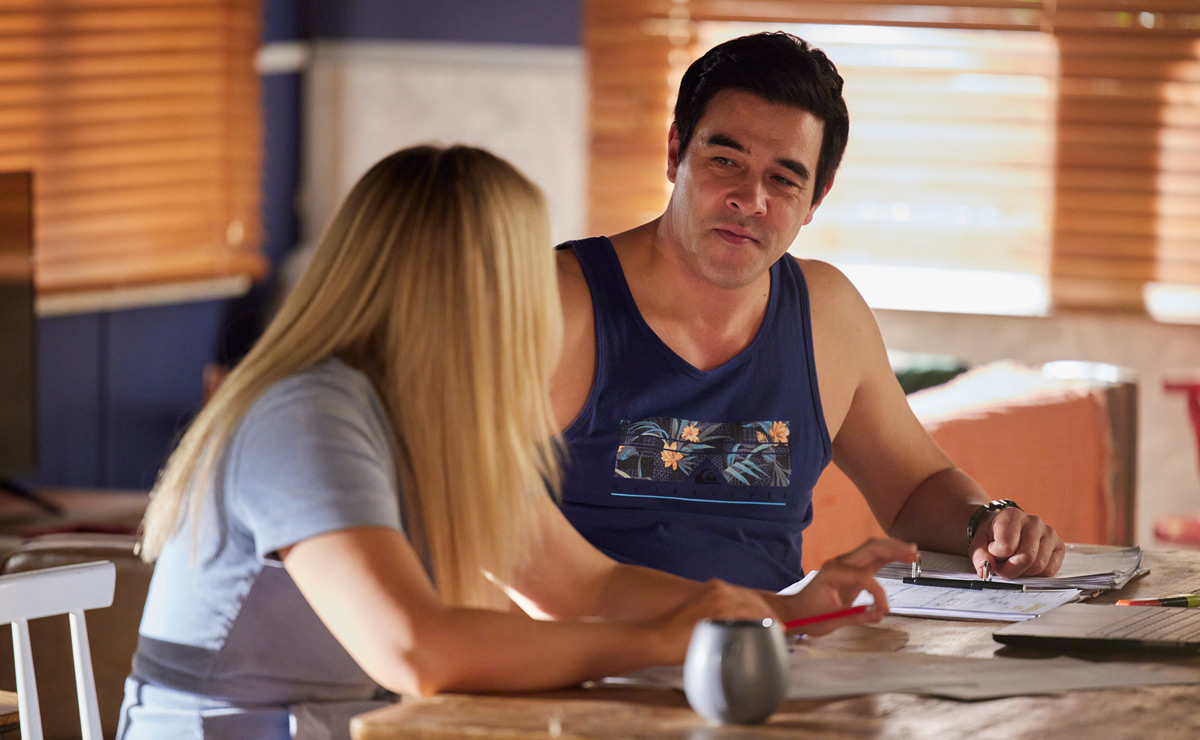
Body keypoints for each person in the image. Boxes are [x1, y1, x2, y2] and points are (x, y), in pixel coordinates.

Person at [116, 144, 916, 740]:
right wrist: (651, 642)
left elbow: (588, 585)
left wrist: (778, 612)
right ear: (477, 285)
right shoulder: (307, 414)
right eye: (526, 272)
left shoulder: (432, 418)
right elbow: (417, 651)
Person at [552, 32, 1065, 592]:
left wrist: (985, 522)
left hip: (775, 643)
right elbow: (504, 554)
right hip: (593, 644)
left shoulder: (826, 313)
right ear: (676, 153)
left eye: (783, 179)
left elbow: (915, 486)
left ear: (816, 198)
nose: (750, 199)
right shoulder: (559, 302)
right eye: (725, 160)